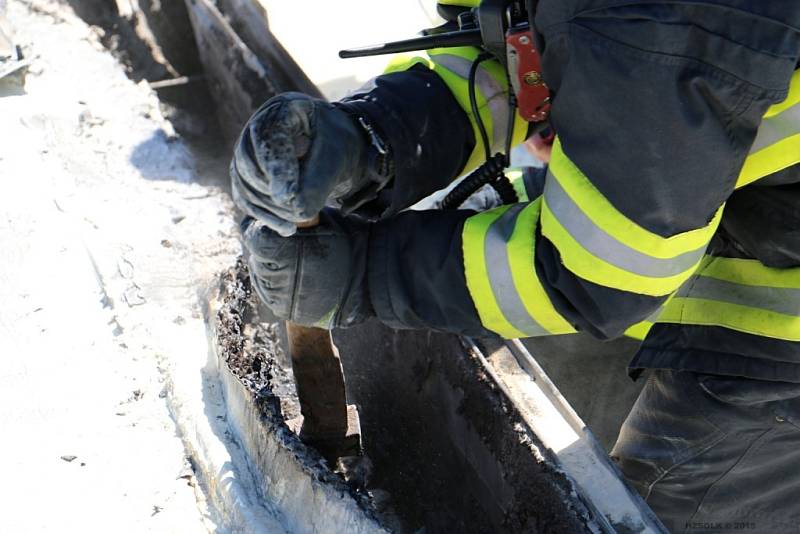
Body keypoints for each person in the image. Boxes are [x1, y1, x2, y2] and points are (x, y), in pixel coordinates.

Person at [230, 1, 800, 530]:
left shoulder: (670, 18)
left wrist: (367, 275)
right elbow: (508, 49)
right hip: (717, 192)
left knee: (651, 505)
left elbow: (600, 275)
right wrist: (373, 138)